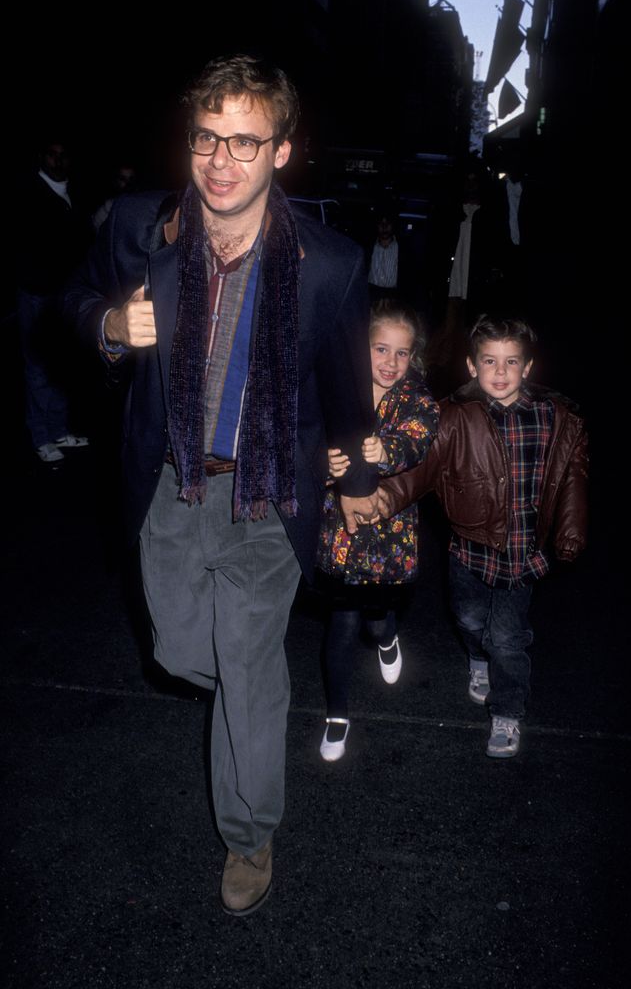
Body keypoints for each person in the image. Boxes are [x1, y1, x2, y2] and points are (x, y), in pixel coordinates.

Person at [64, 54, 380, 916]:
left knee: (246, 667)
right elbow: (74, 297)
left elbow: (350, 382)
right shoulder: (142, 226)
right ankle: (251, 689)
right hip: (172, 483)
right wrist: (106, 325)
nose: (222, 161)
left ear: (282, 152)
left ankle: (250, 833)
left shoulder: (328, 262)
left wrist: (362, 473)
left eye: (246, 142)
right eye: (208, 137)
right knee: (174, 652)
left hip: (268, 493)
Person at [378, 315, 588, 759]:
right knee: (471, 621)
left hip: (525, 554)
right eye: (489, 361)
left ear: (528, 368)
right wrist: (379, 499)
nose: (499, 372)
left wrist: (570, 528)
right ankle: (478, 659)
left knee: (508, 639)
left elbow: (571, 475)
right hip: (469, 550)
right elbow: (421, 471)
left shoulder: (554, 417)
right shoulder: (454, 417)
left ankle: (507, 712)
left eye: (511, 362)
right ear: (472, 367)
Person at [316, 300, 439, 761]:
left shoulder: (416, 398)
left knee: (376, 615)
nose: (390, 362)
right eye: (380, 349)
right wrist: (322, 463)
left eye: (402, 353)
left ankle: (387, 637)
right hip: (341, 534)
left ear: (413, 358)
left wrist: (385, 450)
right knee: (343, 620)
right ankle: (337, 714)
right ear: (359, 348)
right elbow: (309, 435)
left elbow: (418, 437)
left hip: (388, 534)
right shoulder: (338, 390)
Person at [16, 139, 91, 462]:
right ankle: (41, 436)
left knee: (61, 364)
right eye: (52, 154)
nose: (58, 161)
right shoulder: (29, 193)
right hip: (38, 292)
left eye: (64, 155)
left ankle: (59, 430)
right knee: (37, 367)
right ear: (41, 156)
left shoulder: (72, 192)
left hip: (64, 295)